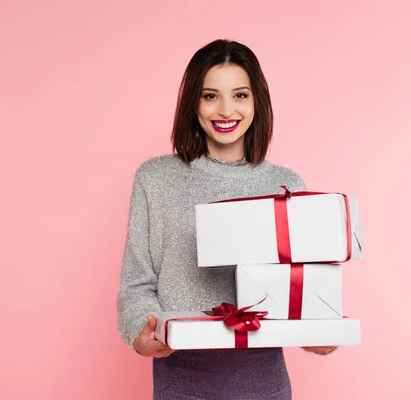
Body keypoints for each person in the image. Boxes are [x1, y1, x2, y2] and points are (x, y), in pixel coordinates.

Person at [116, 39, 336, 400]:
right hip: (181, 385)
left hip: (265, 385)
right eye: (210, 96)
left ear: (256, 103)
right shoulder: (155, 179)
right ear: (193, 102)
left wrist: (320, 334)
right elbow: (136, 285)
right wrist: (142, 333)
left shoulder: (286, 185)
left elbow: (304, 288)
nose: (225, 110)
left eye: (239, 95)